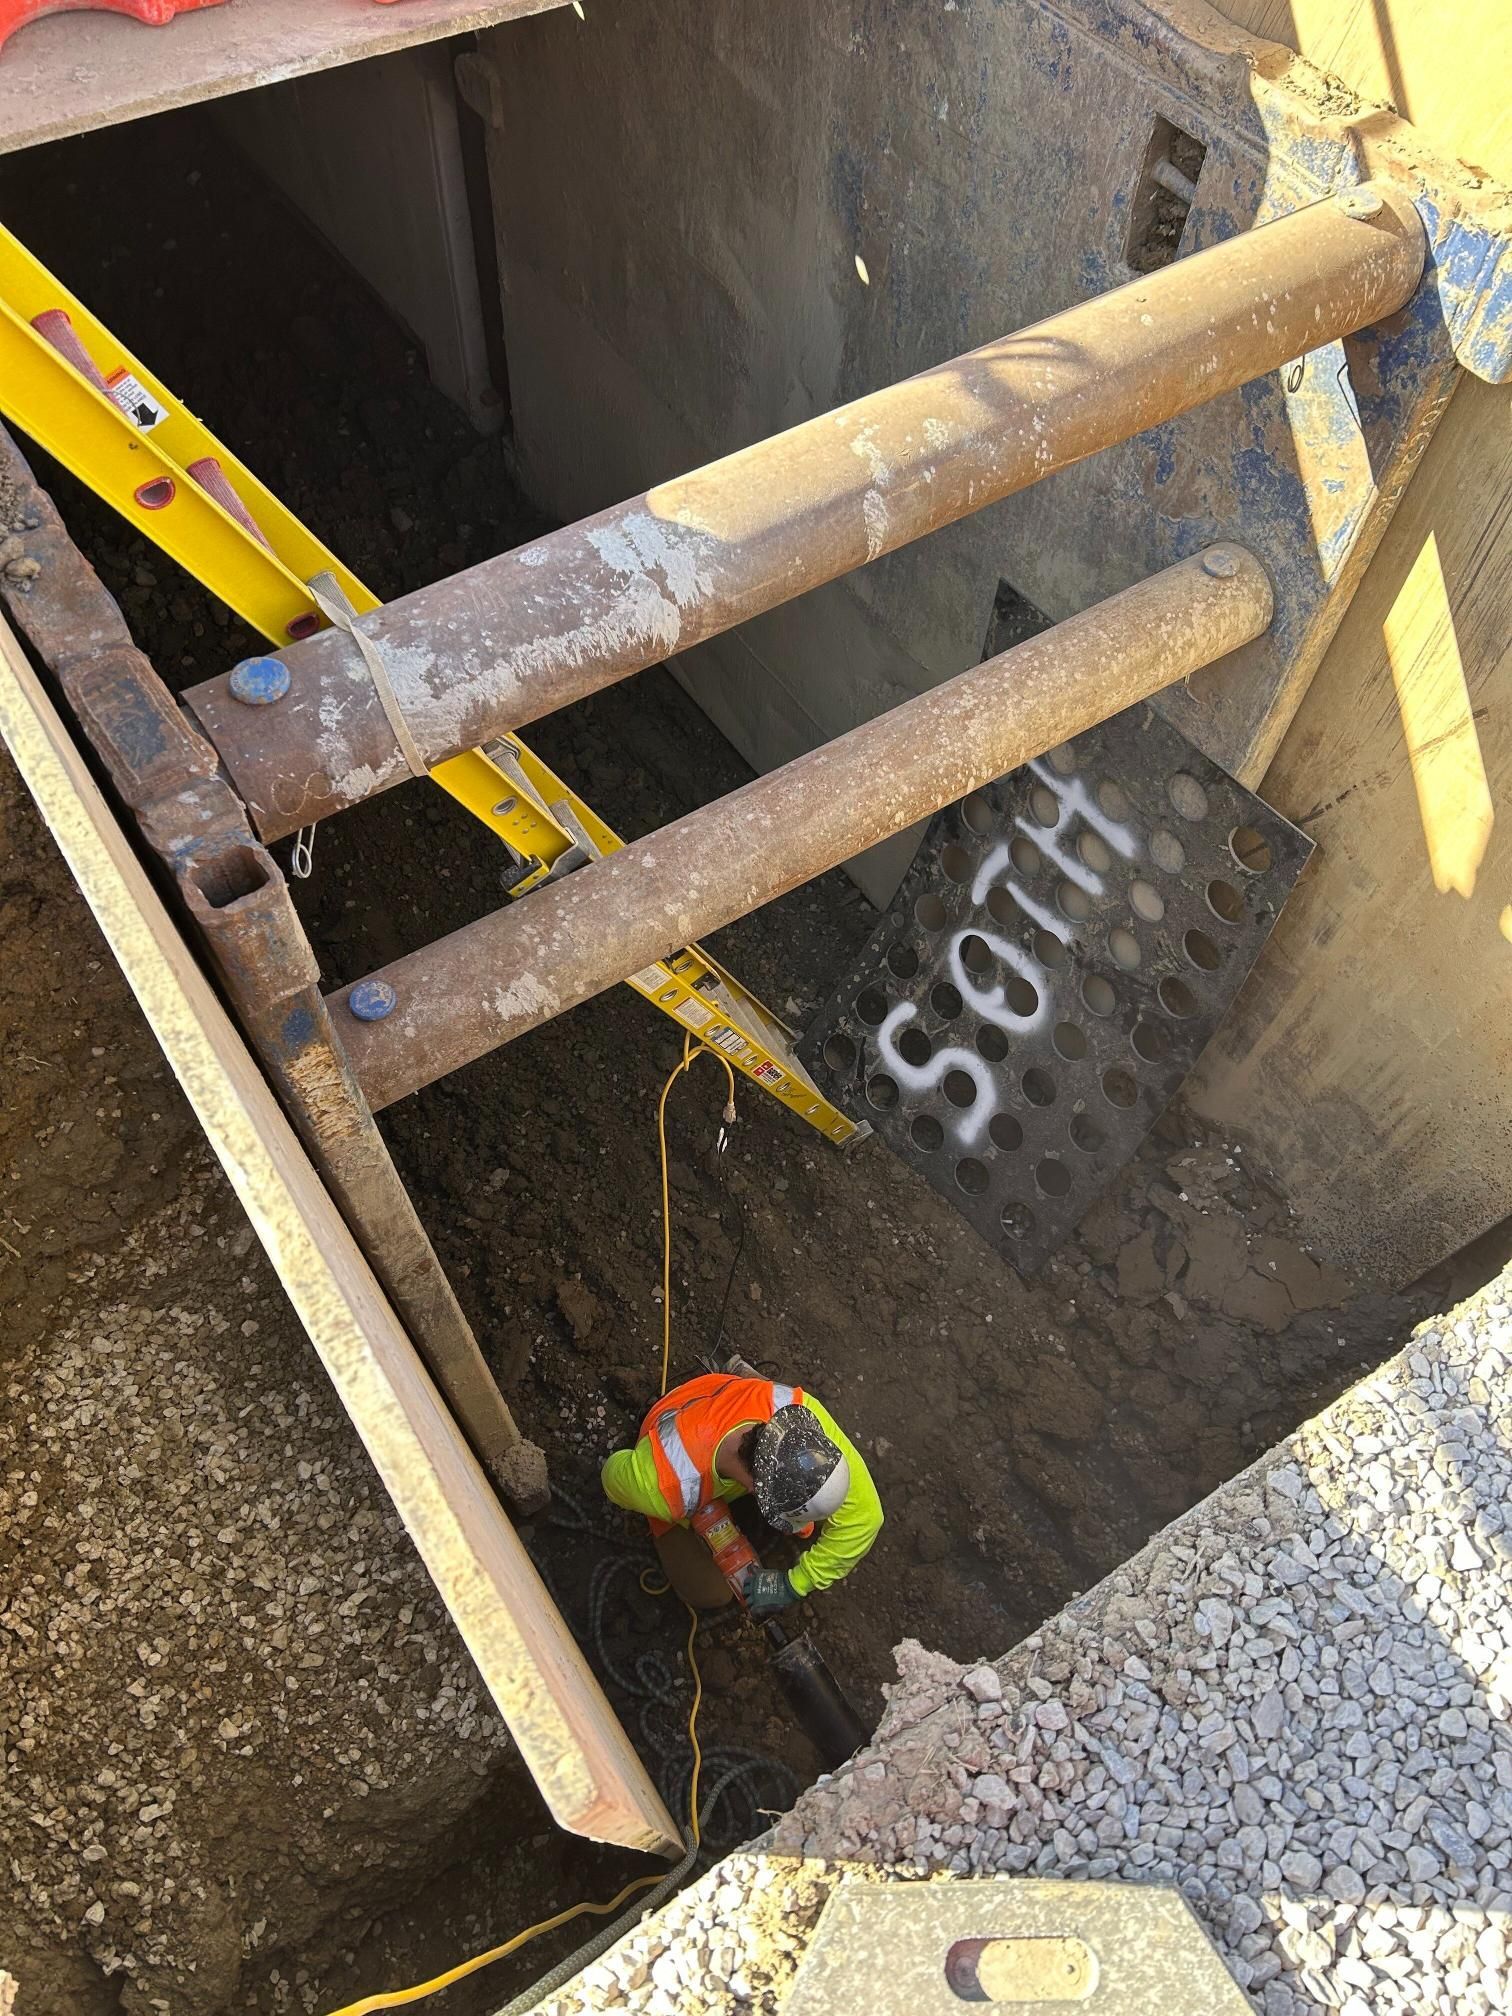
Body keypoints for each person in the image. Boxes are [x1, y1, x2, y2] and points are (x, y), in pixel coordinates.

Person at [601, 1370, 882, 1617]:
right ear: (752, 1490)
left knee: (812, 1523)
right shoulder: (663, 1485)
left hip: (726, 1398)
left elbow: (866, 1517)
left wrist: (795, 1583)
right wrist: (661, 1498)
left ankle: (738, 1375)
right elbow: (612, 1474)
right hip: (671, 1456)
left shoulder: (796, 1410)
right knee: (712, 1593)